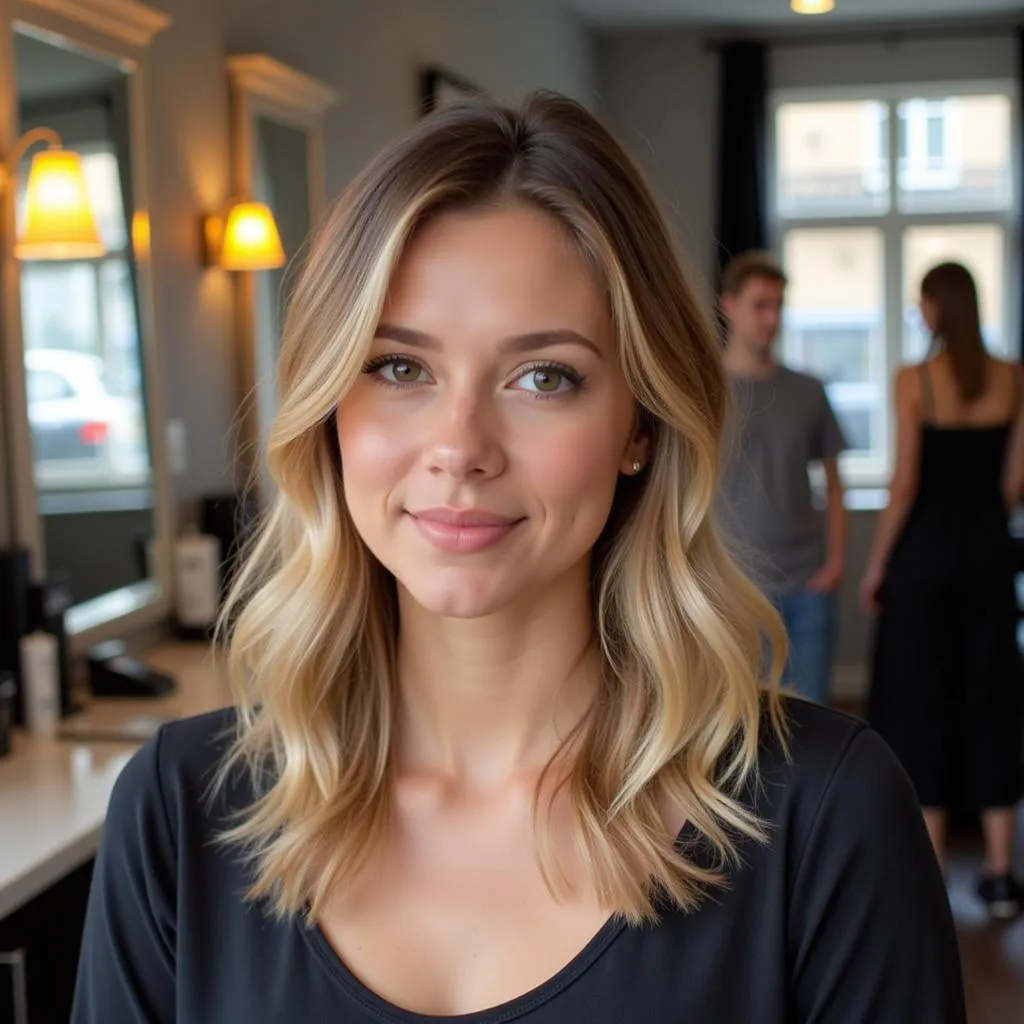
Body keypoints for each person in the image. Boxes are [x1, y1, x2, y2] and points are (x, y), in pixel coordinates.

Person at [73, 93, 963, 1022]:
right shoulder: (176, 813)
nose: (459, 446)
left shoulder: (827, 817)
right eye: (398, 367)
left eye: (544, 377)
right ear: (329, 409)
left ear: (642, 426)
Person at [862, 261, 1024, 920]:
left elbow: (903, 486)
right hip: (991, 555)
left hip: (924, 560)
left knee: (917, 703)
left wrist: (877, 565)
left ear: (934, 307)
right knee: (992, 701)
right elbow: (1014, 484)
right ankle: (999, 873)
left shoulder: (914, 380)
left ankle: (928, 873)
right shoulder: (1014, 378)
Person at [718, 253, 848, 704]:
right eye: (760, 305)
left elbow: (834, 483)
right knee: (737, 720)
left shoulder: (808, 390)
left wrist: (834, 564)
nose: (771, 319)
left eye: (778, 306)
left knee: (811, 719)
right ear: (729, 306)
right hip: (733, 586)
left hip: (805, 584)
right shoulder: (701, 389)